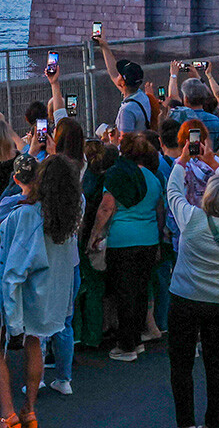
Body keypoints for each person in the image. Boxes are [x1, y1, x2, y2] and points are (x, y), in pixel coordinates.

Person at [0, 155, 82, 428]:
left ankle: (8, 414)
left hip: (18, 296)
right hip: (46, 299)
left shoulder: (27, 215)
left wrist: (12, 318)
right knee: (34, 345)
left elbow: (14, 271)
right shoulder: (68, 219)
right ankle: (28, 410)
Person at [165, 145, 219, 428]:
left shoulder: (192, 220)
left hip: (185, 298)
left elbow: (173, 192)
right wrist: (215, 161)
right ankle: (214, 422)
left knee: (181, 365)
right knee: (217, 366)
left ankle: (185, 423)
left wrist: (181, 161)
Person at [87, 131, 161, 361]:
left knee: (124, 293)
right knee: (140, 291)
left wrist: (94, 235)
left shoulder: (116, 174)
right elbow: (159, 211)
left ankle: (126, 345)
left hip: (123, 240)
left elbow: (106, 207)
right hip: (149, 239)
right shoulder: (154, 178)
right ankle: (137, 339)